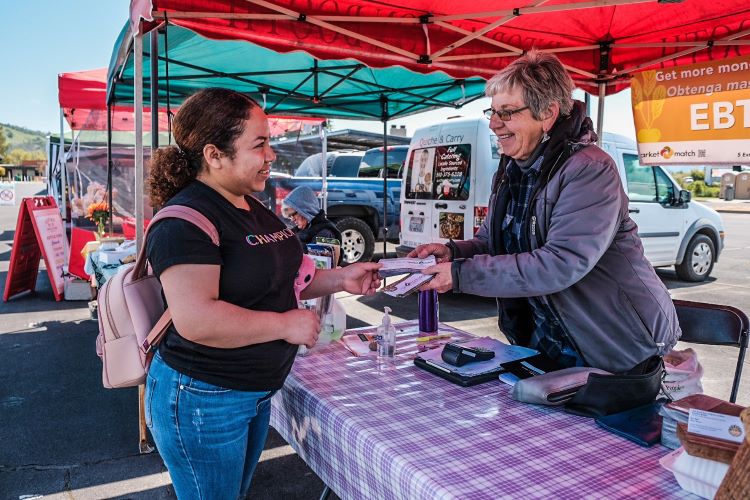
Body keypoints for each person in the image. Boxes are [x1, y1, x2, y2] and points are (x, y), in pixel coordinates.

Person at [144, 88, 381, 500]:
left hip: (250, 393)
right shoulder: (184, 220)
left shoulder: (249, 204)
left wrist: (341, 279)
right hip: (203, 398)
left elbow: (286, 279)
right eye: (260, 144)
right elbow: (197, 319)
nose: (271, 154)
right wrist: (285, 325)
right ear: (214, 154)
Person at [409, 51, 681, 375]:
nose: (495, 124)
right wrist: (452, 252)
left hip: (616, 349)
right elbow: (493, 241)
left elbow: (560, 263)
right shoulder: (515, 166)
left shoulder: (589, 169)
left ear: (548, 114)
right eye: (492, 113)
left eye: (507, 113)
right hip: (547, 344)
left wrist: (461, 273)